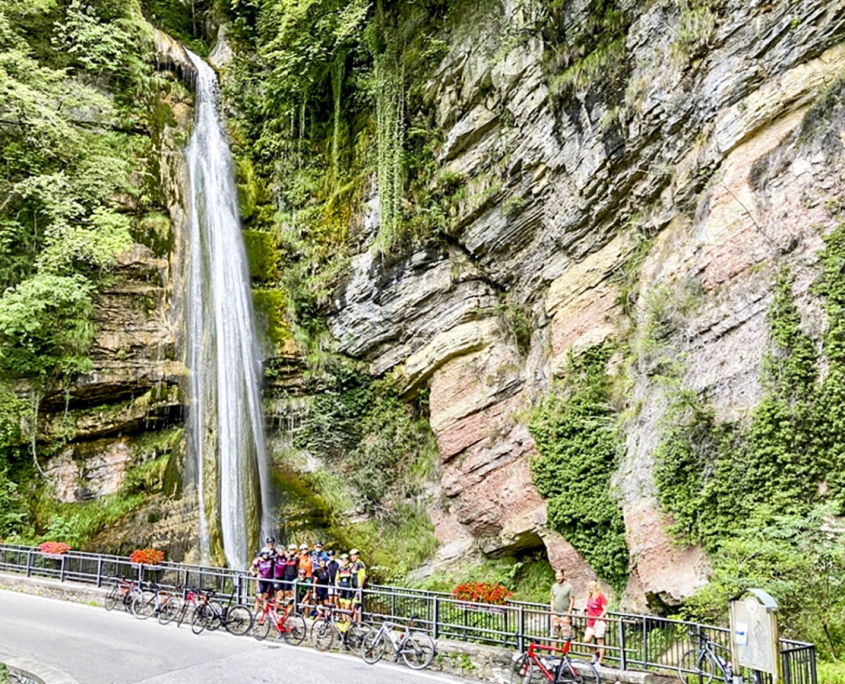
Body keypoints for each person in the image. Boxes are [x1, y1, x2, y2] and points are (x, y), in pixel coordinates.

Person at [583, 580, 608, 665]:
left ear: (596, 587)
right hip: (590, 622)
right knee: (586, 640)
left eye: (592, 587)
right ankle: (594, 653)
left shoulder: (600, 597)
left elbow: (605, 609)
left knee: (600, 641)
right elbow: (589, 606)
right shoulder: (589, 597)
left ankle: (600, 660)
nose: (590, 588)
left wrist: (600, 618)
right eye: (589, 587)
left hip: (599, 622)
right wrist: (584, 609)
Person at [550, 569, 575, 646]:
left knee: (566, 636)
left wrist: (568, 614)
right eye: (557, 576)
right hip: (556, 615)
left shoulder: (569, 587)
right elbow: (552, 599)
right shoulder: (554, 587)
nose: (558, 578)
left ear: (563, 576)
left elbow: (572, 600)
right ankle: (553, 653)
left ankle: (565, 655)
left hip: (564, 615)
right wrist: (552, 612)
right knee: (554, 635)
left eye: (560, 576)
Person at [249, 547, 274, 614]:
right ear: (262, 554)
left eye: (267, 553)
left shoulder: (271, 560)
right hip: (261, 580)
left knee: (266, 597)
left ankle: (264, 614)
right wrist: (254, 574)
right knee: (259, 597)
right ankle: (255, 612)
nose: (266, 555)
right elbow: (251, 569)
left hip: (268, 580)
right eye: (264, 553)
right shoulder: (258, 560)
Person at [335, 552, 354, 628]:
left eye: (346, 560)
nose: (344, 561)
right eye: (343, 560)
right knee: (342, 606)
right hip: (342, 589)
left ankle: (348, 622)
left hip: (348, 590)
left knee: (347, 607)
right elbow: (336, 579)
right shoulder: (339, 569)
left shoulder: (351, 568)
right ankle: (344, 621)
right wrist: (337, 587)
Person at [349, 548, 367, 623]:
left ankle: (357, 622)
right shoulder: (353, 564)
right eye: (351, 555)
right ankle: (355, 622)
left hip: (358, 588)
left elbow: (364, 576)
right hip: (353, 587)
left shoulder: (360, 564)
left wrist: (360, 587)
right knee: (353, 606)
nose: (353, 557)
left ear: (358, 556)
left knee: (355, 605)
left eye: (354, 555)